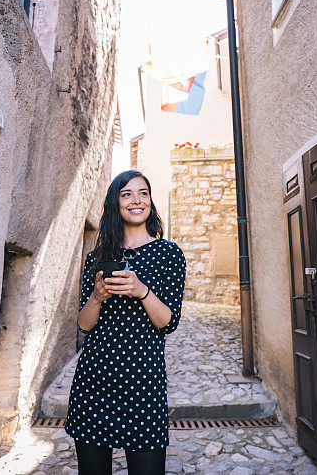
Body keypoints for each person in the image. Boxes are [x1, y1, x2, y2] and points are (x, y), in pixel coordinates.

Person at [64, 170, 187, 475]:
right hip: (94, 382)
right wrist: (96, 296)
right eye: (127, 194)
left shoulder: (169, 254)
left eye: (143, 193)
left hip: (144, 384)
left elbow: (168, 323)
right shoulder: (97, 258)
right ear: (115, 204)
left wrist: (140, 290)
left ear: (150, 202)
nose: (136, 200)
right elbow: (84, 324)